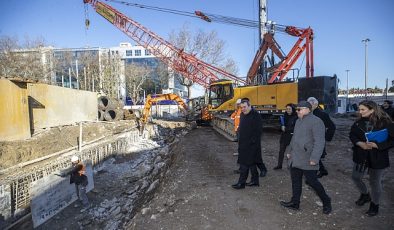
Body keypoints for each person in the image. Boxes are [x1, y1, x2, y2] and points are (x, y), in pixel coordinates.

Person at [280, 101, 332, 214]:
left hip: (307, 158)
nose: (297, 111)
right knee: (296, 181)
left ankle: (326, 200)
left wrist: (315, 158)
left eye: (299, 109)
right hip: (295, 157)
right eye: (296, 109)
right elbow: (294, 138)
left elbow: (319, 142)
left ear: (308, 109)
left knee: (313, 182)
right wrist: (289, 151)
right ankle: (295, 203)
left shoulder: (317, 122)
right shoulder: (298, 121)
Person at [349, 100, 393, 216]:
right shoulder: (358, 122)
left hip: (377, 157)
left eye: (363, 109)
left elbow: (392, 140)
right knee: (356, 177)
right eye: (359, 109)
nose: (360, 111)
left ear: (372, 109)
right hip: (361, 155)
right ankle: (365, 194)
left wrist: (378, 145)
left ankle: (375, 205)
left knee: (375, 182)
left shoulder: (385, 122)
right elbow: (352, 134)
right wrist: (359, 143)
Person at [232, 98, 264, 189]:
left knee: (244, 164)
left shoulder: (255, 115)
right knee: (251, 164)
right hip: (243, 144)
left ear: (249, 106)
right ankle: (255, 181)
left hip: (251, 145)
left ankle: (241, 183)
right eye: (241, 107)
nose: (243, 109)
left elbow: (258, 131)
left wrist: (252, 143)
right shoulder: (242, 114)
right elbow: (241, 128)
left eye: (244, 107)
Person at [307, 97, 336, 178]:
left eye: (309, 105)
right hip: (309, 139)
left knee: (314, 156)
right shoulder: (308, 114)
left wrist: (326, 137)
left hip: (317, 140)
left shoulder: (323, 115)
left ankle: (312, 177)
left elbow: (332, 127)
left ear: (315, 105)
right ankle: (323, 171)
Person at [274, 103, 297, 170]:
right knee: (281, 152)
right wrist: (281, 127)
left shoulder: (296, 117)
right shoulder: (284, 116)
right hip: (284, 137)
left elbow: (295, 128)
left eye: (289, 109)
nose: (288, 110)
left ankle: (291, 165)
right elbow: (280, 125)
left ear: (293, 109)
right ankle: (279, 165)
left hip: (291, 138)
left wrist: (286, 129)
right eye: (287, 109)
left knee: (291, 153)